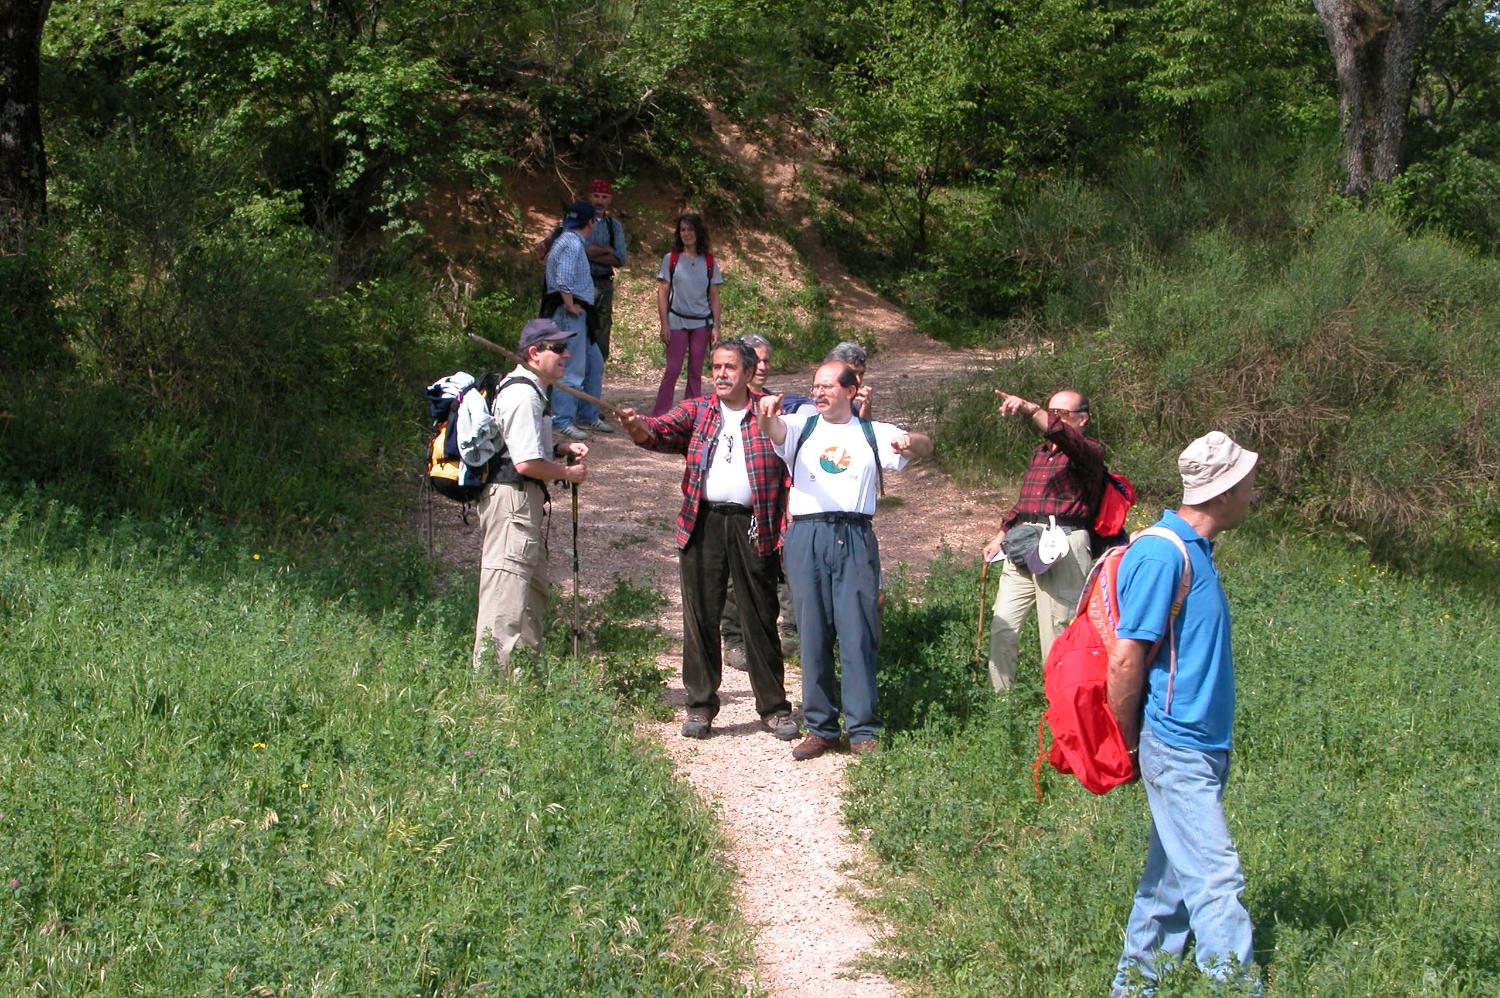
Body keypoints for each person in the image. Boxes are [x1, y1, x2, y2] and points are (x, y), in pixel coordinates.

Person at [1106, 431, 1260, 996]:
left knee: (1169, 882)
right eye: (1247, 482)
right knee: (1217, 879)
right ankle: (1234, 986)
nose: (1253, 491)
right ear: (1221, 493)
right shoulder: (1160, 552)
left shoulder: (1196, 551)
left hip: (1202, 743)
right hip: (1176, 744)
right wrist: (1129, 744)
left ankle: (1136, 984)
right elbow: (1125, 659)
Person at [615, 338, 798, 742]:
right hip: (703, 522)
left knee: (760, 616)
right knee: (700, 616)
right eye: (716, 366)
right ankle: (699, 705)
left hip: (755, 524)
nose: (720, 374)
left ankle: (774, 708)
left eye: (730, 367)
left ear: (749, 373)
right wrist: (637, 426)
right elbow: (660, 431)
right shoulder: (699, 410)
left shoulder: (770, 413)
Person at [756, 361, 933, 760]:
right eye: (815, 386)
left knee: (858, 633)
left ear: (852, 391)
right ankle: (820, 727)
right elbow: (774, 430)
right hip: (806, 534)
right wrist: (766, 415)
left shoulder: (873, 432)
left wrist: (912, 443)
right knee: (813, 633)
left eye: (827, 386)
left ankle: (863, 729)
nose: (818, 393)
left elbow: (924, 445)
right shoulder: (803, 426)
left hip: (854, 535)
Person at [473, 318, 590, 669]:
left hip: (522, 503)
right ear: (534, 353)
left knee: (530, 593)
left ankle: (524, 677)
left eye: (565, 347)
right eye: (557, 348)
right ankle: (491, 692)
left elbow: (521, 446)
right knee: (505, 596)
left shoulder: (532, 390)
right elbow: (525, 464)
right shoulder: (523, 394)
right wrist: (568, 473)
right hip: (512, 503)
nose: (566, 354)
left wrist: (559, 446)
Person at [981, 388, 1106, 692]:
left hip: (1064, 543)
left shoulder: (1089, 452)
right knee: (1003, 625)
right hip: (1026, 541)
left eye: (1061, 414)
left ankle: (1060, 707)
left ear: (1083, 419)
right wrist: (1002, 533)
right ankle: (1002, 704)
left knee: (1057, 630)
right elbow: (1028, 501)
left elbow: (1065, 437)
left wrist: (1030, 408)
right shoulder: (1041, 453)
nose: (1053, 419)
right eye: (1052, 412)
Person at [721, 333, 797, 669]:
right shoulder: (722, 407)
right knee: (734, 577)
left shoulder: (775, 405)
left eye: (767, 360)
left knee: (778, 570)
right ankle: (734, 638)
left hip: (773, 504)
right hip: (736, 507)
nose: (763, 367)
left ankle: (788, 635)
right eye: (757, 360)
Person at [544, 200, 607, 441]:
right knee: (571, 368)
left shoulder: (565, 239)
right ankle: (562, 420)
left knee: (594, 363)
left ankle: (587, 414)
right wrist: (570, 304)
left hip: (580, 313)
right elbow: (564, 278)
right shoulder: (571, 244)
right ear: (589, 222)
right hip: (570, 313)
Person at [653, 213, 722, 416]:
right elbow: (663, 292)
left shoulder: (709, 261)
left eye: (690, 229)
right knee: (673, 369)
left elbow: (715, 296)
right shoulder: (671, 259)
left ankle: (689, 412)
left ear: (698, 232)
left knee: (695, 371)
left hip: (702, 323)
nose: (686, 234)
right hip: (676, 320)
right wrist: (664, 323)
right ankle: (660, 413)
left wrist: (716, 326)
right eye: (682, 229)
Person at [584, 178, 627, 367]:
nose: (599, 201)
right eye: (596, 196)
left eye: (604, 197)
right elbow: (581, 250)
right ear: (589, 197)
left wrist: (592, 252)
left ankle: (597, 372)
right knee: (580, 329)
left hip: (604, 284)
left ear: (609, 199)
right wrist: (606, 250)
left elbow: (621, 259)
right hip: (582, 282)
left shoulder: (613, 225)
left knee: (602, 331)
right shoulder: (581, 220)